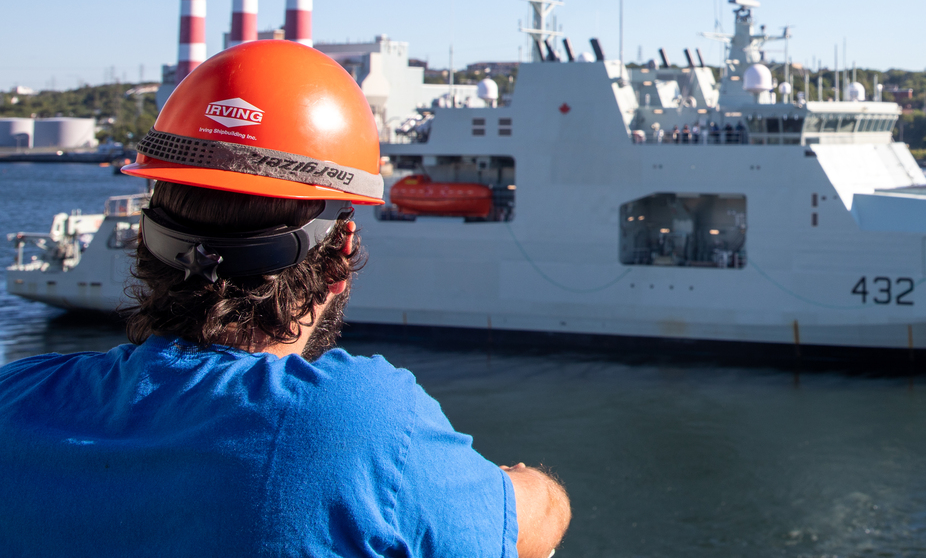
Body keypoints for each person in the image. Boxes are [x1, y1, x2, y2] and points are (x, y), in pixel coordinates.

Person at [0, 40, 570, 557]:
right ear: (341, 251)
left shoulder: (15, 398)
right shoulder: (362, 423)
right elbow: (538, 522)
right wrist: (524, 484)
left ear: (146, 237)